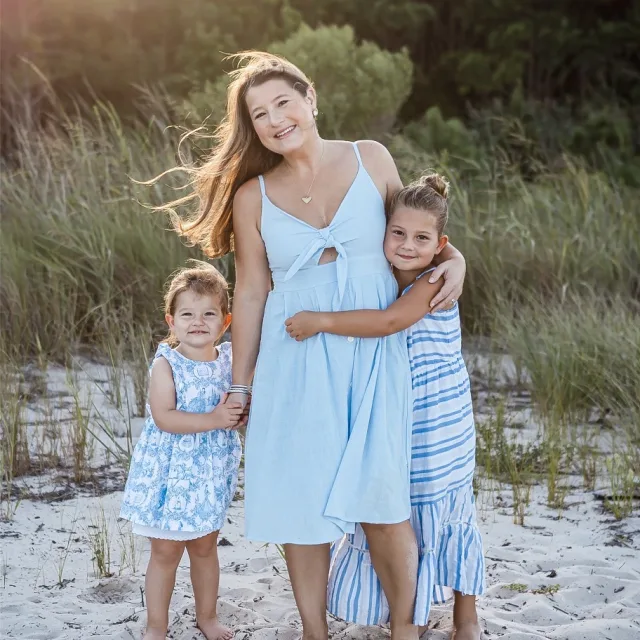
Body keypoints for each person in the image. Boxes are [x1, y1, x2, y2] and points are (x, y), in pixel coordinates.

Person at [162, 52, 466, 640]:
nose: (276, 119)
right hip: (294, 352)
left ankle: (406, 628)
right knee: (302, 502)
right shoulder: (252, 195)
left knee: (383, 498)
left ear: (311, 100)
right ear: (252, 130)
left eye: (283, 102)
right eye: (259, 114)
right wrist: (242, 383)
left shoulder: (370, 158)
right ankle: (313, 631)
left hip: (374, 348)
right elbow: (250, 294)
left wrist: (457, 259)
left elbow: (416, 233)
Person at [285, 174, 485, 640]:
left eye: (422, 238)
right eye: (398, 233)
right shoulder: (383, 268)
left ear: (440, 244)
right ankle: (408, 611)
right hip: (397, 412)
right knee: (407, 508)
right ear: (383, 230)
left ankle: (466, 616)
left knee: (447, 507)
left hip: (438, 416)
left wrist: (322, 321)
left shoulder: (434, 280)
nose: (408, 245)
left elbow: (390, 321)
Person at [119, 263, 243, 640]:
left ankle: (207, 617)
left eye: (209, 314)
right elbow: (165, 417)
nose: (198, 322)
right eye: (187, 314)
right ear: (171, 321)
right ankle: (156, 625)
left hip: (208, 474)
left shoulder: (229, 361)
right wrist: (217, 417)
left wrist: (237, 415)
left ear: (226, 320)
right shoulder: (166, 364)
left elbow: (237, 407)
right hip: (170, 476)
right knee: (166, 553)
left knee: (205, 548)